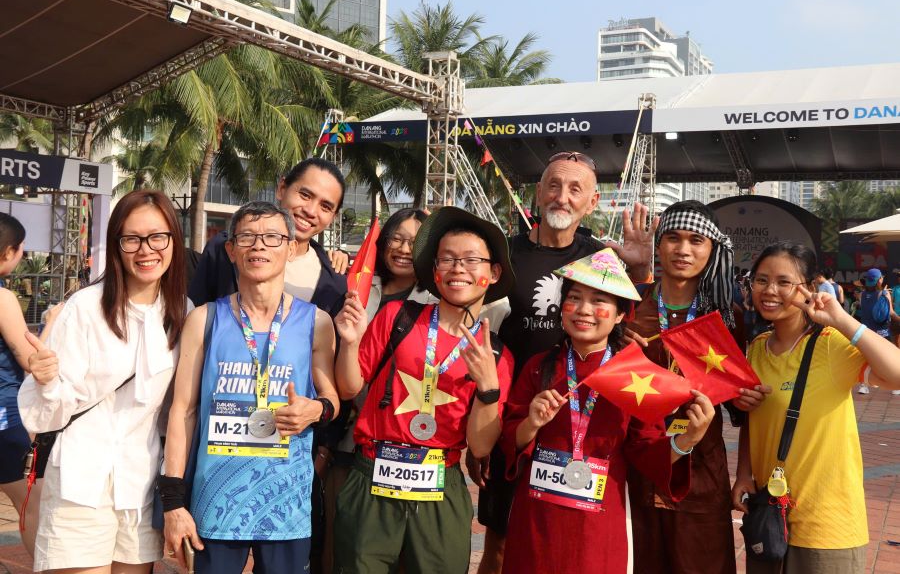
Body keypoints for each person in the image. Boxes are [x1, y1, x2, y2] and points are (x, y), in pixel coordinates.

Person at [477, 151, 656, 573]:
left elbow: (631, 325)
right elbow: (472, 329)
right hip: (515, 417)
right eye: (554, 185)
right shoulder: (503, 256)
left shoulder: (602, 256)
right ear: (537, 193)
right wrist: (483, 428)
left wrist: (643, 271)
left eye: (576, 189)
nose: (562, 197)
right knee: (500, 546)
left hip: (582, 429)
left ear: (592, 203)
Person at [500, 249, 715, 573]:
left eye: (599, 301)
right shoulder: (538, 368)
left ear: (619, 315)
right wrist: (531, 423)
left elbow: (647, 450)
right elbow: (509, 441)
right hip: (536, 520)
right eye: (575, 298)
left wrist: (687, 440)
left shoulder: (634, 377)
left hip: (601, 521)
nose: (584, 310)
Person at [332, 207, 515, 573]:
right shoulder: (397, 317)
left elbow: (479, 447)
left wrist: (488, 389)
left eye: (470, 260)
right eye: (446, 259)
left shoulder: (497, 354)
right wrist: (350, 343)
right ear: (434, 270)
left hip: (440, 486)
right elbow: (350, 387)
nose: (457, 268)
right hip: (373, 476)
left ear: (492, 273)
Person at [161, 201, 339, 573]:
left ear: (291, 248)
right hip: (217, 497)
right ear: (230, 249)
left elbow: (332, 399)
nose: (259, 246)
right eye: (247, 237)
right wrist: (174, 501)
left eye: (273, 237)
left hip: (286, 499)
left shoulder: (317, 322)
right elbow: (183, 411)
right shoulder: (204, 318)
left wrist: (317, 409)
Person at [18, 190, 188, 573]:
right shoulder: (86, 308)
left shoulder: (184, 314)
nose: (146, 250)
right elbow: (46, 415)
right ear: (117, 245)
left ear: (174, 241)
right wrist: (45, 380)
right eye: (132, 239)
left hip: (141, 483)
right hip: (82, 479)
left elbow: (179, 411)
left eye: (157, 237)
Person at [732, 241, 900, 573]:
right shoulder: (757, 348)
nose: (770, 290)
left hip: (827, 524)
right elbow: (756, 417)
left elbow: (896, 375)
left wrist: (840, 319)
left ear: (808, 289)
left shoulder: (831, 345)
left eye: (784, 282)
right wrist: (742, 474)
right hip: (770, 516)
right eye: (761, 280)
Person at [625, 199, 767, 574]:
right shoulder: (630, 307)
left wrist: (746, 401)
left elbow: (739, 405)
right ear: (659, 245)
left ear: (712, 249)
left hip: (702, 468)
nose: (683, 250)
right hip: (637, 462)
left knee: (702, 562)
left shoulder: (724, 316)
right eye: (673, 238)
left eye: (696, 240)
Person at [188, 157, 348, 318]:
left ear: (333, 217)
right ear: (282, 189)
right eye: (305, 195)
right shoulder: (223, 249)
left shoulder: (334, 281)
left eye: (325, 207)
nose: (311, 211)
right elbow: (193, 315)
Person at [0, 213, 46, 555]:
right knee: (33, 505)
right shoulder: (3, 299)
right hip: (4, 420)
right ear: (8, 253)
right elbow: (28, 357)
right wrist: (54, 326)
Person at [854, 268, 893, 394]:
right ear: (879, 280)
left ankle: (863, 386)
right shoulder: (884, 294)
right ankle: (895, 386)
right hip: (882, 332)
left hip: (866, 331)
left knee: (866, 358)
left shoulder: (862, 295)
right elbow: (890, 313)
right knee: (888, 358)